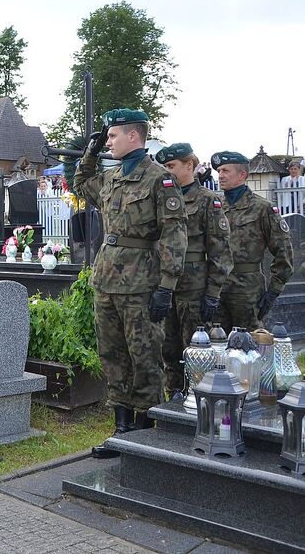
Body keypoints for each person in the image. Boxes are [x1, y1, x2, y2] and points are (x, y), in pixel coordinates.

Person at [73, 109, 188, 459]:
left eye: (112, 136)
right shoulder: (113, 177)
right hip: (107, 278)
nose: (108, 141)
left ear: (133, 136)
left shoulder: (159, 178)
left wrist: (167, 285)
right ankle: (121, 429)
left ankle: (145, 431)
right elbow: (81, 186)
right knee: (113, 354)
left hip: (141, 281)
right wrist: (90, 153)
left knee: (145, 357)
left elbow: (174, 232)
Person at [153, 143, 232, 402]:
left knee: (195, 347)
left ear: (190, 165)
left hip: (193, 287)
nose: (167, 172)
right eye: (164, 167)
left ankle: (198, 399)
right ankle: (174, 396)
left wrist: (213, 293)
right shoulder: (160, 197)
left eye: (172, 166)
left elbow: (220, 251)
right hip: (165, 286)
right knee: (168, 345)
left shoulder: (208, 201)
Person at [211, 151, 293, 332]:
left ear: (242, 175)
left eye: (226, 171)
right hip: (217, 286)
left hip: (246, 289)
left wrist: (273, 291)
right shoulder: (216, 206)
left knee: (247, 345)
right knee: (216, 342)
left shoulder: (262, 208)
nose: (220, 175)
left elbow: (283, 252)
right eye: (219, 171)